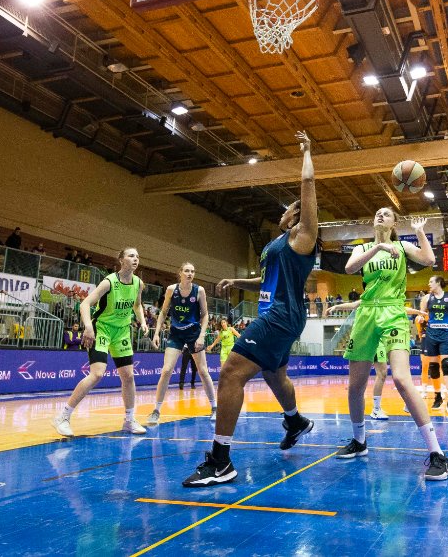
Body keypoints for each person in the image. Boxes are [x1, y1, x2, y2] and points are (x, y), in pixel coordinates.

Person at [183, 131, 317, 488]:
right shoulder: (277, 244)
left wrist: (306, 153)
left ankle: (221, 460)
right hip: (277, 314)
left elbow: (307, 186)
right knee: (275, 376)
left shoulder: (302, 239)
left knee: (230, 373)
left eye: (293, 207)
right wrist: (236, 282)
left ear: (298, 216)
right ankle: (295, 421)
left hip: (280, 317)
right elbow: (267, 281)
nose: (287, 209)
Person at [336, 208, 448, 481]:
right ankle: (359, 441)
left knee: (401, 378)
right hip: (366, 315)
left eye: (386, 214)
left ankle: (437, 454)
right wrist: (378, 248)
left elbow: (429, 258)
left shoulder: (403, 245)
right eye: (377, 213)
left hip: (392, 313)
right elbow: (350, 268)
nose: (380, 215)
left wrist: (421, 232)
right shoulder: (364, 247)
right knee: (355, 386)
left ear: (394, 223)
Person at [52, 247, 150, 437]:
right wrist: (88, 327)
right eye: (131, 256)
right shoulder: (109, 282)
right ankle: (63, 417)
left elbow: (137, 305)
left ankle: (129, 420)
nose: (135, 259)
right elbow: (85, 304)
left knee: (128, 376)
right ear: (121, 260)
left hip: (121, 331)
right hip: (102, 328)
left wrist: (143, 321)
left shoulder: (138, 283)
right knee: (97, 374)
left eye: (138, 256)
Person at [327, 300, 427, 419]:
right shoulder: (370, 298)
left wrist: (418, 312)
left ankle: (406, 404)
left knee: (395, 373)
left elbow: (400, 308)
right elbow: (354, 305)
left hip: (384, 338)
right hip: (371, 339)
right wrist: (336, 307)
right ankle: (376, 409)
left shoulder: (386, 299)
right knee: (381, 374)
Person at [148, 262, 216, 425]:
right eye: (187, 271)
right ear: (180, 273)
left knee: (203, 371)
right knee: (166, 370)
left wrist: (201, 336)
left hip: (193, 333)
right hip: (176, 334)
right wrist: (156, 332)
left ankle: (214, 407)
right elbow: (163, 312)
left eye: (192, 271)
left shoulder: (199, 291)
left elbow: (205, 315)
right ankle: (156, 411)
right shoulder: (171, 290)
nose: (190, 273)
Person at [419, 276, 448, 414]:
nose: (428, 284)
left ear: (438, 283)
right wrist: (420, 317)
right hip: (431, 334)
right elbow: (422, 314)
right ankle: (437, 396)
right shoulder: (426, 298)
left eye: (431, 281)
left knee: (447, 365)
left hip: (446, 333)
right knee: (433, 367)